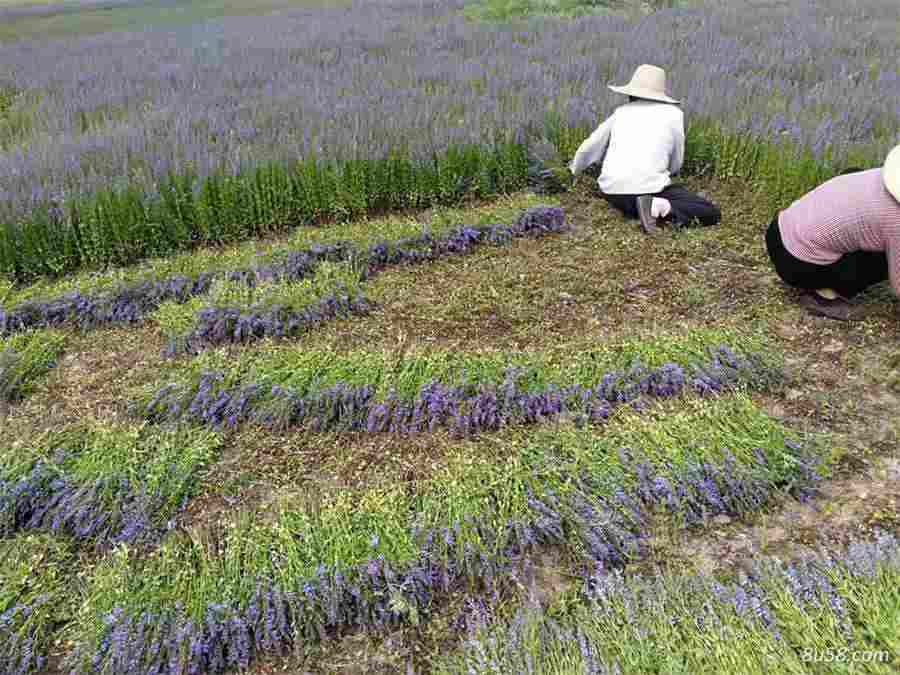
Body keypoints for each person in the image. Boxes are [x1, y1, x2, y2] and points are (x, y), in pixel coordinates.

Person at [568, 64, 720, 235]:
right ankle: (660, 205)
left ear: (632, 93)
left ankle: (647, 206)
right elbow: (677, 159)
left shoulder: (621, 112)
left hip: (612, 193)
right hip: (650, 188)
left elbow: (588, 147)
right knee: (710, 211)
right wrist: (666, 173)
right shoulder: (674, 114)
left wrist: (573, 170)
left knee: (635, 199)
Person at [764, 144, 900, 320]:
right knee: (883, 261)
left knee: (853, 173)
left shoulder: (881, 175)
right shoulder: (895, 219)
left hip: (781, 228)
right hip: (794, 261)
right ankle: (823, 297)